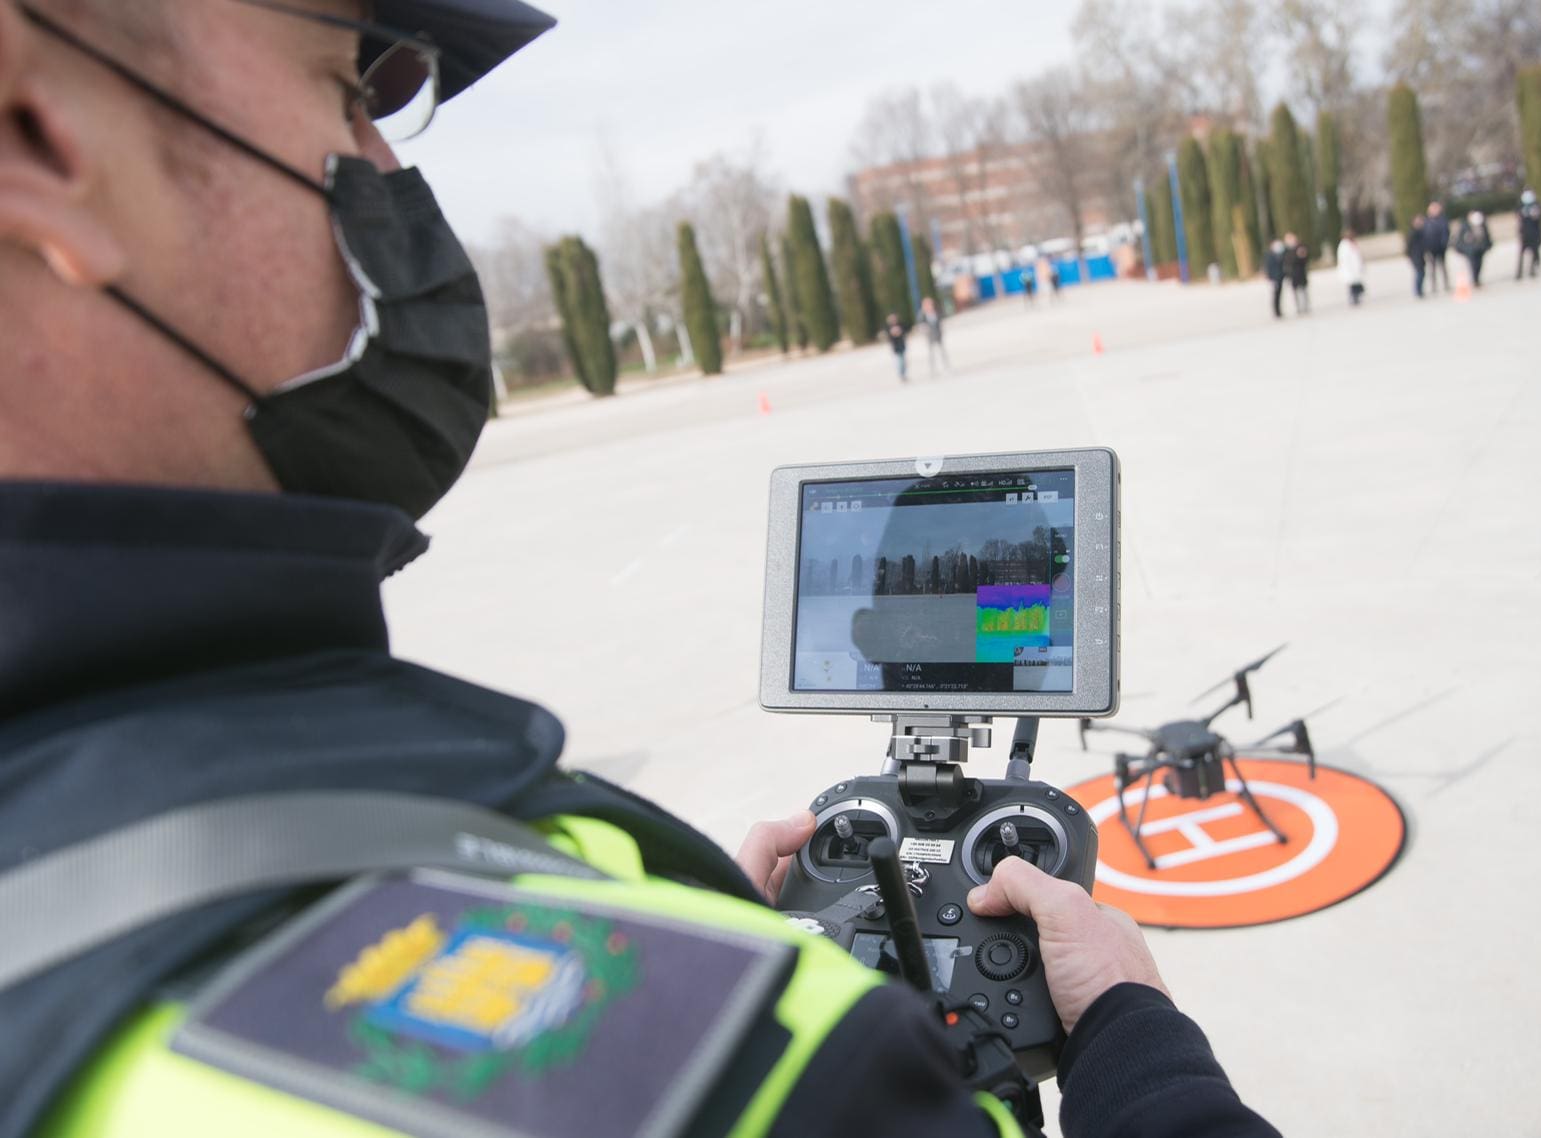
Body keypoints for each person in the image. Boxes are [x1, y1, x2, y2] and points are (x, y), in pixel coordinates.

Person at [0, 3, 1281, 1138]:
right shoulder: (730, 1076)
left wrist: (690, 920)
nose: (393, 167)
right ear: (38, 130)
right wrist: (1126, 1032)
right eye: (348, 88)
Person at [1454, 210, 1493, 287]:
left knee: (1479, 264)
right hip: (1470, 250)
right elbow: (1460, 239)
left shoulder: (1482, 225)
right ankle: (1475, 280)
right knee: (1473, 264)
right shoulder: (1464, 226)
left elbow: (1486, 237)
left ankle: (1477, 278)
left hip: (1480, 248)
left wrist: (1487, 245)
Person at [1422, 200, 1451, 293]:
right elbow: (1424, 235)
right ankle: (1434, 286)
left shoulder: (1443, 220)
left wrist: (1444, 243)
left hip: (1441, 248)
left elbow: (1446, 233)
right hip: (1431, 248)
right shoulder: (1426, 221)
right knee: (1432, 268)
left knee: (1443, 266)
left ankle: (1446, 284)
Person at [1517, 189, 1541, 280]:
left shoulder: (1536, 205)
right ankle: (1519, 272)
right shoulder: (1521, 206)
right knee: (1521, 254)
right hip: (1524, 233)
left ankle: (1532, 270)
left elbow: (1540, 217)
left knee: (1534, 252)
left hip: (1534, 232)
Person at [920, 295, 951, 375]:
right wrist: (924, 329)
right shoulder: (923, 315)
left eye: (931, 304)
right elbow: (921, 326)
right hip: (930, 337)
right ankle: (933, 370)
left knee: (942, 352)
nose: (930, 306)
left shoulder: (936, 312)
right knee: (931, 353)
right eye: (928, 304)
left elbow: (941, 320)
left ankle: (946, 367)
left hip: (938, 335)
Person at [1282, 231, 1310, 314]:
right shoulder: (1286, 250)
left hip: (1301, 273)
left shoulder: (1300, 247)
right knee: (1295, 292)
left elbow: (1304, 260)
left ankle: (1305, 306)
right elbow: (1285, 262)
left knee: (1303, 291)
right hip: (1292, 275)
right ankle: (1298, 307)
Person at [1335, 229, 1365, 306]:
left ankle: (1356, 298)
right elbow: (1344, 258)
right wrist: (1350, 268)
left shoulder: (1352, 243)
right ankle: (1353, 299)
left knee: (1356, 284)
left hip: (1355, 268)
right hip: (1349, 269)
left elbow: (1357, 256)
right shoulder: (1344, 245)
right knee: (1352, 285)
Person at [1406, 214, 1428, 298]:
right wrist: (1410, 256)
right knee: (1420, 273)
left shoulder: (1421, 231)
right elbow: (1409, 246)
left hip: (1420, 255)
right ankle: (1418, 291)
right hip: (1415, 256)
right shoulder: (1413, 233)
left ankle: (1419, 290)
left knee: (1422, 273)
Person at [1264, 238, 1287, 318]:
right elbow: (1268, 268)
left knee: (1279, 295)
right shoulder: (1269, 255)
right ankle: (1276, 311)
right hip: (1274, 279)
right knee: (1275, 295)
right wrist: (1271, 279)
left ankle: (1278, 311)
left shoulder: (1279, 255)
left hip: (1279, 277)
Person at [885, 311, 911, 381]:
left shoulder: (900, 324)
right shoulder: (888, 327)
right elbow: (888, 337)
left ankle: (903, 373)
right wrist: (893, 333)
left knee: (904, 361)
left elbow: (906, 330)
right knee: (900, 360)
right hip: (895, 346)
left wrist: (900, 331)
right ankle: (901, 374)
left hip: (902, 345)